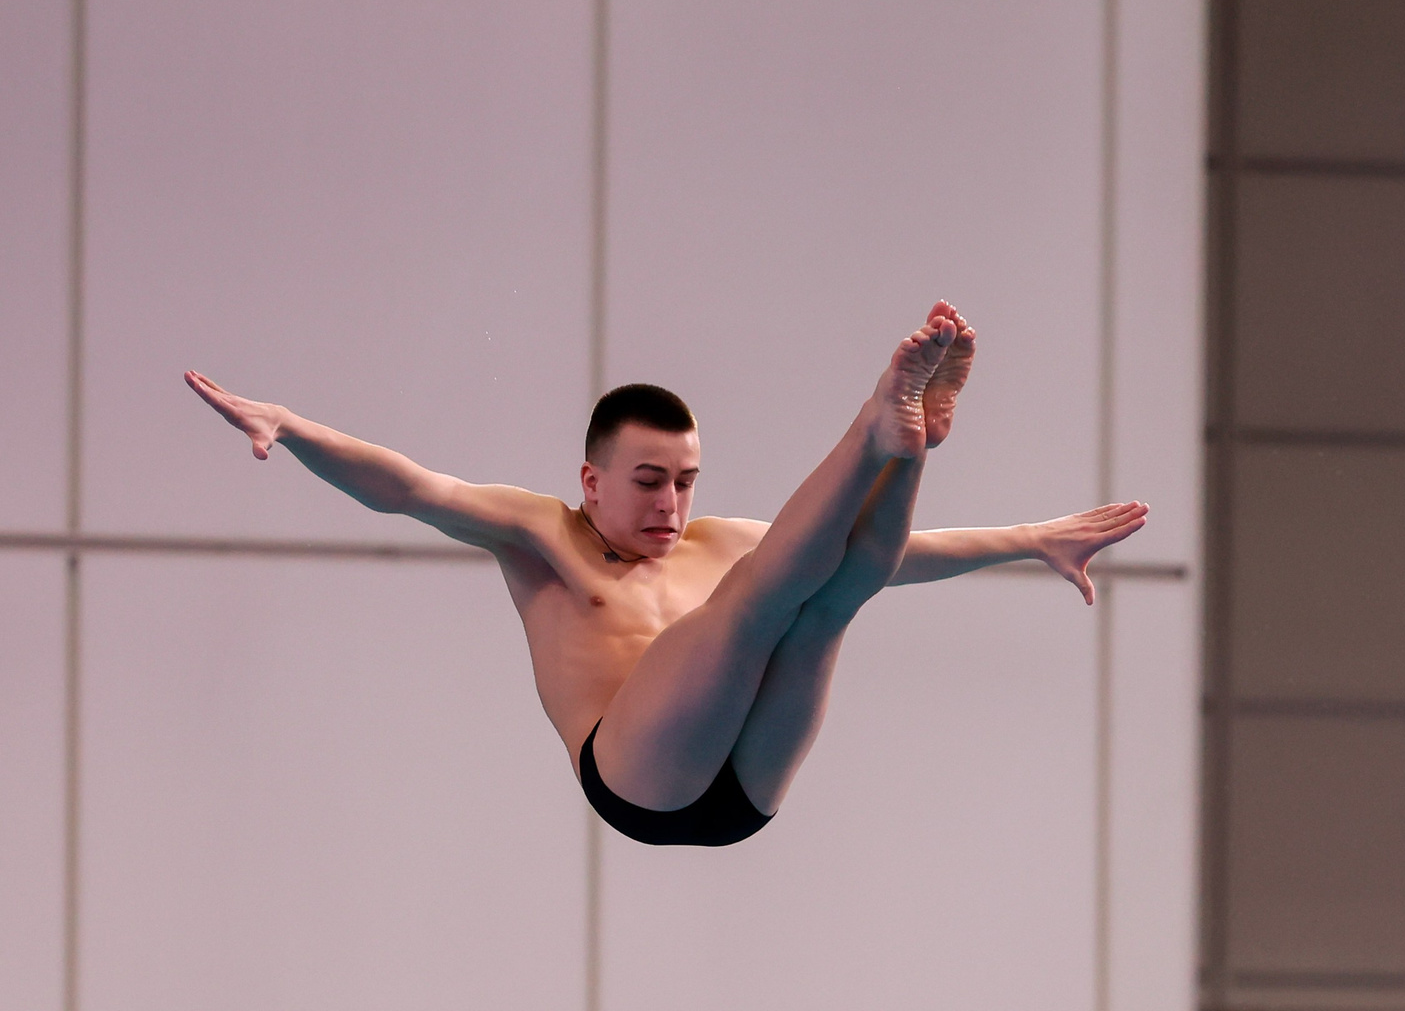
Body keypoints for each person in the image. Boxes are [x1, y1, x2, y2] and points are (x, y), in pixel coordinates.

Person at [186, 302, 1147, 846]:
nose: (670, 508)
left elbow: (906, 559)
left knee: (835, 599)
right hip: (634, 775)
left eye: (686, 483)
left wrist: (1032, 536)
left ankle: (912, 442)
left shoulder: (717, 543)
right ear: (591, 480)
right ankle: (873, 424)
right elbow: (405, 487)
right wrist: (293, 427)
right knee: (752, 608)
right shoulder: (541, 534)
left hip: (744, 795)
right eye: (648, 483)